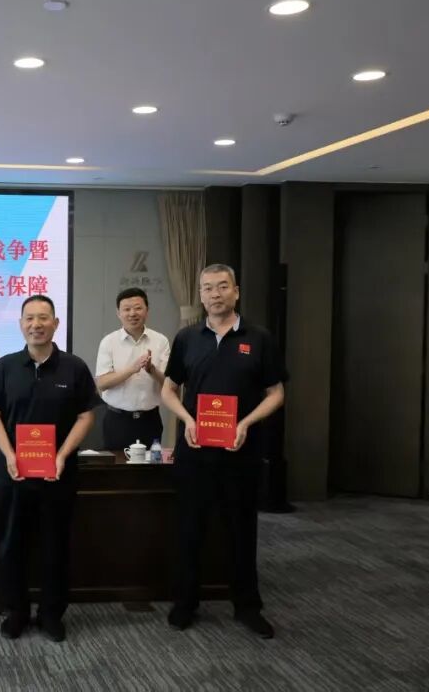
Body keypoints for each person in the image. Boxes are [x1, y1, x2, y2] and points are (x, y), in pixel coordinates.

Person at [161, 264, 287, 639]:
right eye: (207, 288)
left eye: (222, 287)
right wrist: (187, 419)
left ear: (236, 291)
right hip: (195, 451)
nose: (215, 294)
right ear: (200, 295)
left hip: (240, 452)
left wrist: (245, 423)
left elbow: (276, 393)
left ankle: (247, 607)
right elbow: (168, 389)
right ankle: (185, 604)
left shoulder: (259, 338)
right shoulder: (187, 338)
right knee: (190, 529)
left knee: (241, 530)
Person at [0, 295, 100, 642]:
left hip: (57, 474)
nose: (36, 324)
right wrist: (9, 454)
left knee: (55, 545)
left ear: (55, 323)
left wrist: (61, 454)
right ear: (20, 325)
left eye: (43, 318)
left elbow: (86, 416)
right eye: (29, 318)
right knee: (11, 544)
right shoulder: (5, 366)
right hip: (12, 473)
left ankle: (50, 613)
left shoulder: (74, 367)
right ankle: (15, 610)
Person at [95, 287, 170, 450]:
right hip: (117, 419)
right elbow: (102, 383)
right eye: (127, 309)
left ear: (147, 310)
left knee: (151, 464)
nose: (132, 313)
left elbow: (169, 383)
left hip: (150, 419)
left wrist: (151, 370)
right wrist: (132, 369)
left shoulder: (160, 341)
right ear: (118, 313)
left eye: (138, 308)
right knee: (116, 465)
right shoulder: (109, 341)